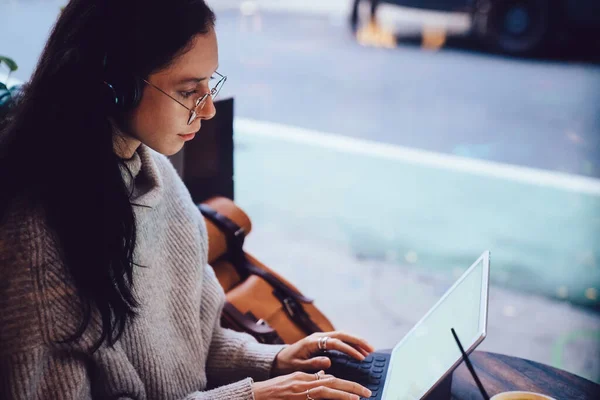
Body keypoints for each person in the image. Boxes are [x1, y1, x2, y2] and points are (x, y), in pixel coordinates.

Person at [0, 1, 375, 399]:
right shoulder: (36, 241)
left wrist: (276, 362)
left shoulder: (159, 177)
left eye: (209, 84)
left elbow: (199, 343)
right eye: (188, 90)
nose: (208, 108)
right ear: (114, 87)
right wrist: (250, 397)